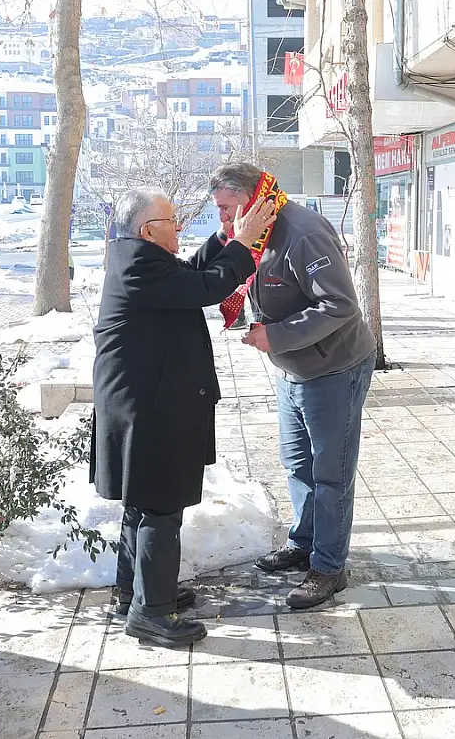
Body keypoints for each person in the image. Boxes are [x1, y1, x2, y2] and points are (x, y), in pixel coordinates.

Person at [92, 188, 276, 647]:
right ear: (147, 230)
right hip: (149, 407)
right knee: (160, 506)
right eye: (171, 221)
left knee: (142, 502)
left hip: (144, 401)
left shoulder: (140, 256)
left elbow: (190, 273)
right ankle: (152, 614)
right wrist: (244, 241)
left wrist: (224, 238)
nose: (179, 227)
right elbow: (204, 288)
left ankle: (135, 592)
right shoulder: (139, 264)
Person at [210, 162, 377, 611]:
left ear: (252, 200)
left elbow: (339, 304)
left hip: (334, 368)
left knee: (330, 474)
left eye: (226, 208)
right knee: (297, 464)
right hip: (293, 369)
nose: (222, 218)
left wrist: (278, 335)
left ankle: (329, 567)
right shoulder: (255, 232)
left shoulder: (303, 233)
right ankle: (304, 543)